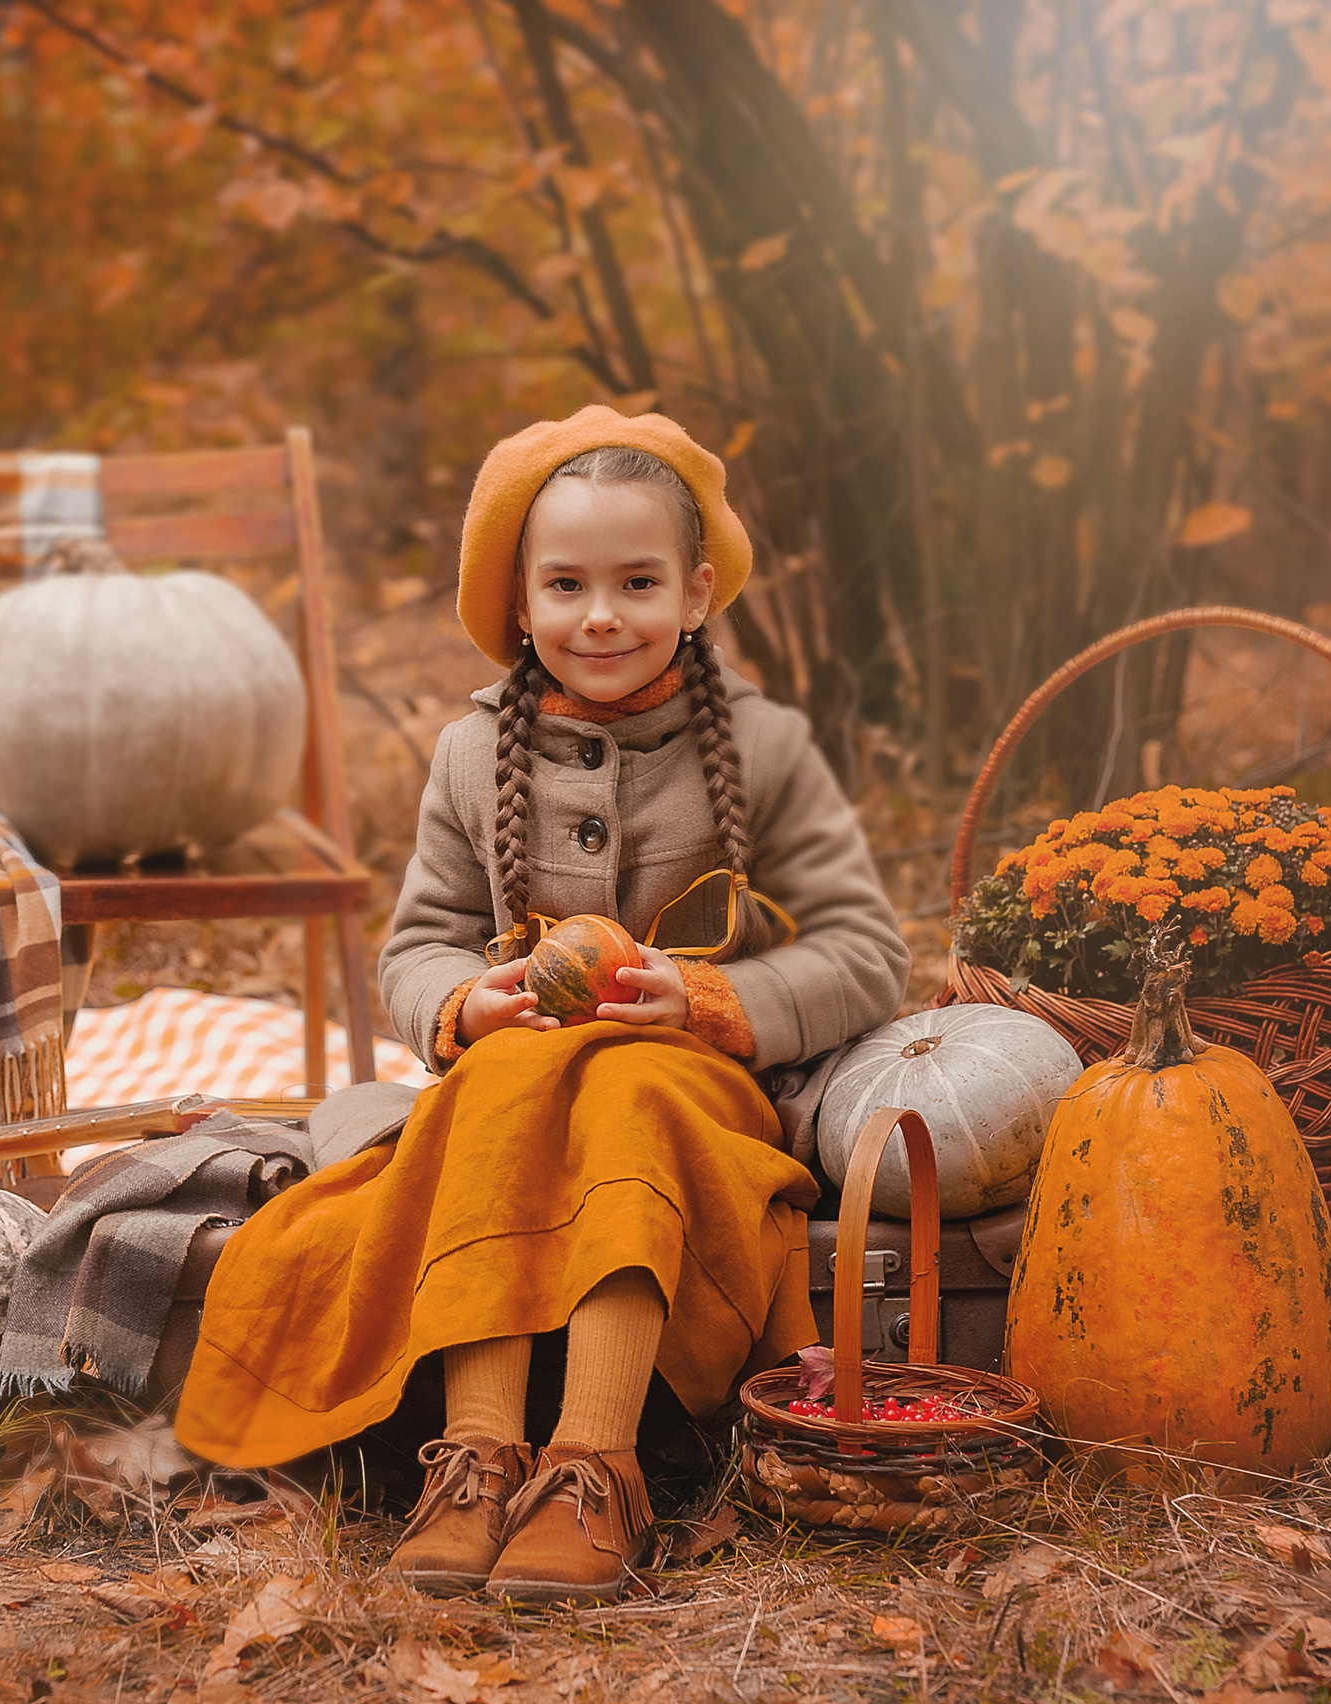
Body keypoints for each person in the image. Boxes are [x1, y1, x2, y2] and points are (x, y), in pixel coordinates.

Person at [173, 406, 909, 1603]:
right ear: (520, 602)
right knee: (506, 1083)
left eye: (636, 581)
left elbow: (866, 951)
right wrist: (467, 1005)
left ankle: (593, 1465)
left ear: (697, 590)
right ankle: (473, 1459)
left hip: (689, 1087)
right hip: (522, 1071)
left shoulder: (765, 749)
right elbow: (414, 945)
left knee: (619, 1084)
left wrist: (709, 997)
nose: (600, 613)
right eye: (566, 583)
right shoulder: (472, 759)